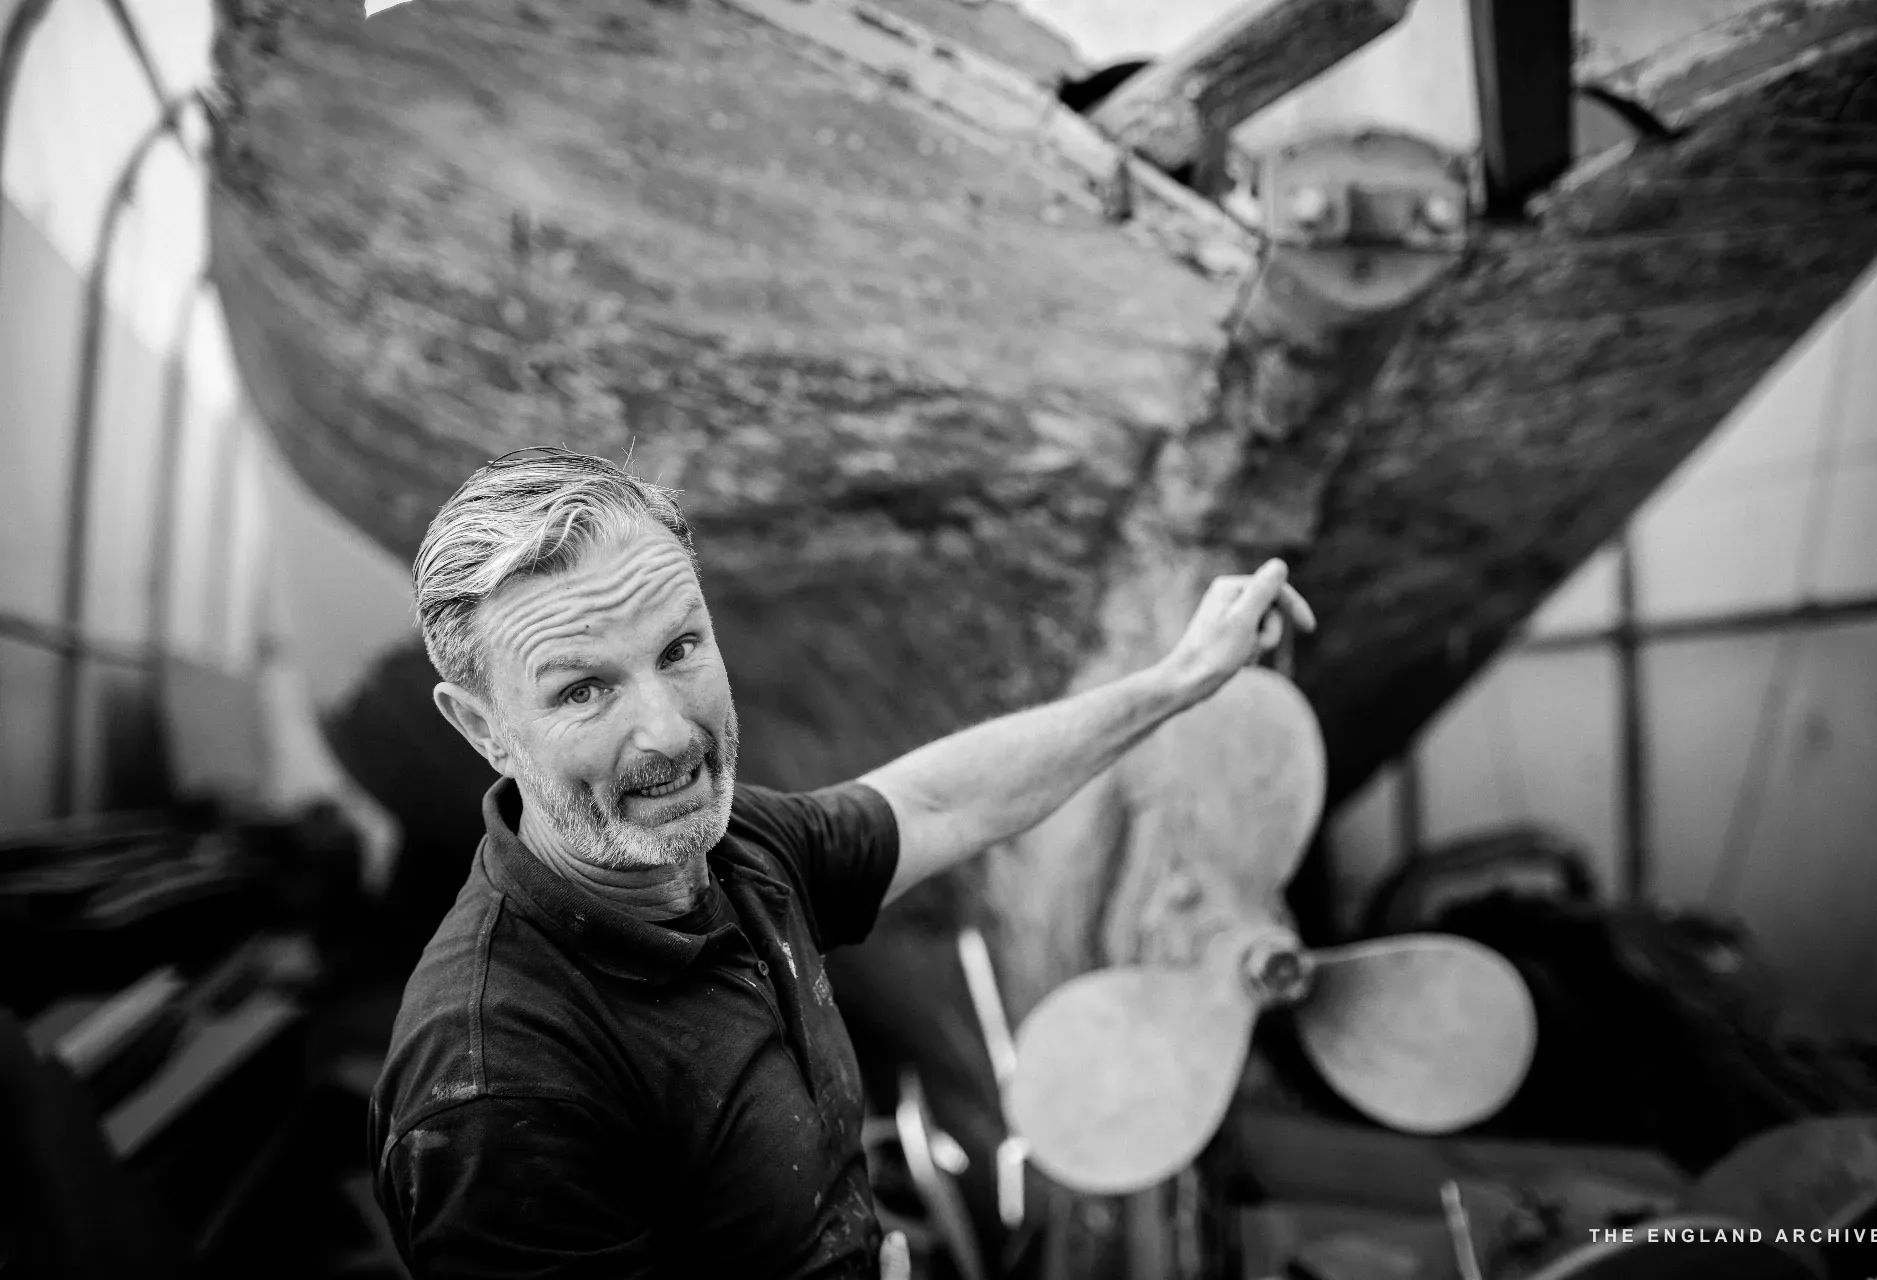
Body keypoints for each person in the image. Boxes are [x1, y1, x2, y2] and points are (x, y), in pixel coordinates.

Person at [369, 447, 1313, 1279]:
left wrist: (1178, 679)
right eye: (584, 689)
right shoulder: (497, 1084)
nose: (667, 732)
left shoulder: (739, 856)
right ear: (482, 726)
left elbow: (946, 799)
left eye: (680, 647)